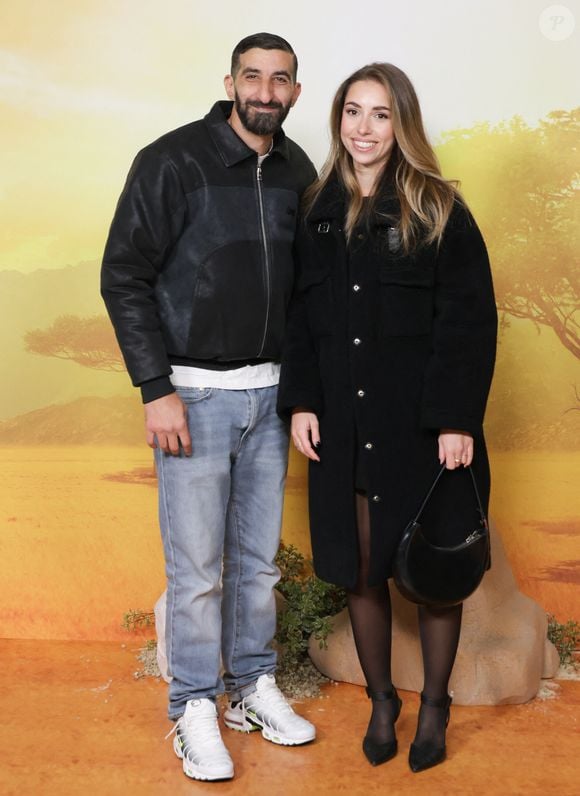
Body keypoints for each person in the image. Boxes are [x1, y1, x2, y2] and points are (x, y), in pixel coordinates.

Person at [101, 32, 317, 783]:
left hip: (272, 396)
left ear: (295, 91)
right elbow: (123, 273)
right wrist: (155, 388)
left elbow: (310, 291)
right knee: (197, 572)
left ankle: (251, 687)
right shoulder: (172, 161)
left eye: (280, 79)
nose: (265, 91)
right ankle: (194, 703)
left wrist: (303, 391)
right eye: (252, 77)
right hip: (191, 395)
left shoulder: (297, 170)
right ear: (230, 82)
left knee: (255, 567)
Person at [277, 62, 497, 773]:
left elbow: (468, 321)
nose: (363, 129)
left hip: (424, 428)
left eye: (379, 114)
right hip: (342, 425)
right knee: (361, 572)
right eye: (352, 112)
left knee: (433, 572)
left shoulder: (437, 207)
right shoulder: (315, 209)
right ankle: (382, 701)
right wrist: (303, 402)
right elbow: (300, 321)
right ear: (338, 119)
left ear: (401, 124)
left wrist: (457, 419)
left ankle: (435, 705)